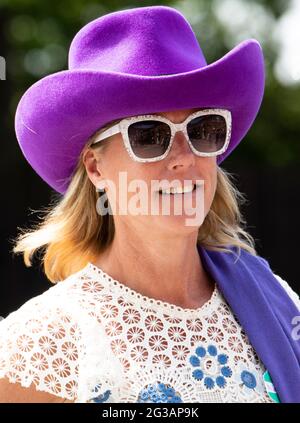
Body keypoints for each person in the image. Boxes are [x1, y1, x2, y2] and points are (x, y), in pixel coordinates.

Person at [0, 5, 299, 403]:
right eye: (149, 135)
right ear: (95, 166)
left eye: (203, 128)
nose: (183, 157)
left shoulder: (279, 302)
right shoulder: (41, 347)